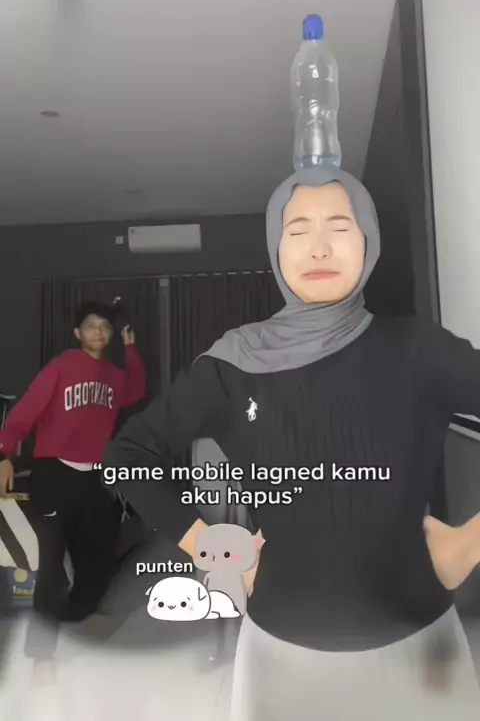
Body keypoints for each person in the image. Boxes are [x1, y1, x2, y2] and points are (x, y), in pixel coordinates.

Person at [103, 168, 480, 719]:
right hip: (280, 653)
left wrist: (469, 542)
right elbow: (126, 456)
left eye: (340, 226)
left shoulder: (418, 349)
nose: (319, 246)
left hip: (420, 650)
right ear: (276, 250)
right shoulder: (234, 363)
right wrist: (213, 549)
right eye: (297, 230)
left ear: (369, 242)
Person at [0, 300, 146, 682]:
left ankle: (70, 618)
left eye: (104, 326)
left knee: (96, 569)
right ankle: (41, 656)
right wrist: (5, 455)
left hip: (94, 479)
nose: (99, 331)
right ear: (78, 333)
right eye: (91, 325)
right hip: (54, 475)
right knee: (52, 565)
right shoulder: (62, 366)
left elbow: (135, 391)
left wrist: (131, 348)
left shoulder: (114, 376)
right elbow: (24, 413)